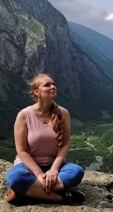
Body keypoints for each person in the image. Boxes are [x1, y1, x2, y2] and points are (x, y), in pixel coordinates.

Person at [5, 74, 85, 204]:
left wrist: (54, 169)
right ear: (36, 91)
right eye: (47, 85)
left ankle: (28, 193)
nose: (53, 87)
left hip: (54, 164)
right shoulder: (24, 115)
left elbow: (65, 145)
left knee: (76, 172)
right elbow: (22, 151)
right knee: (15, 177)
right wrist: (38, 174)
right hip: (28, 166)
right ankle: (61, 198)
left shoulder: (63, 113)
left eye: (53, 84)